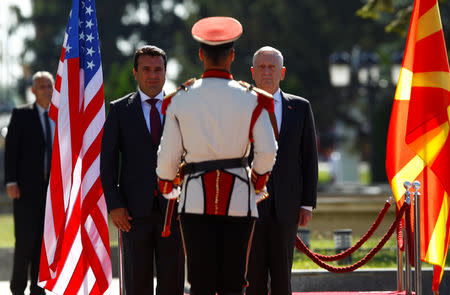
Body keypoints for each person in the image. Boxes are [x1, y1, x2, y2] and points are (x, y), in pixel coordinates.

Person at [156, 17, 278, 295]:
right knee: (235, 282)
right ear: (232, 56)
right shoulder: (253, 98)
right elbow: (268, 151)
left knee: (200, 282)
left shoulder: (180, 99)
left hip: (194, 199)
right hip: (239, 198)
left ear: (200, 54)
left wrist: (168, 185)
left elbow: (167, 158)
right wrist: (257, 182)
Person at [100, 45, 184, 295]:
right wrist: (115, 205)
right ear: (135, 73)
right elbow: (108, 163)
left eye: (158, 70)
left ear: (166, 73)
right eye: (146, 69)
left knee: (172, 283)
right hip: (132, 215)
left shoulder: (182, 108)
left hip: (175, 213)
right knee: (136, 285)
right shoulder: (119, 110)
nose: (153, 75)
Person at [246, 46, 318, 295]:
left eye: (272, 67)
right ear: (253, 72)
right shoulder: (241, 106)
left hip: (287, 206)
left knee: (281, 277)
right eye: (262, 67)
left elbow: (309, 158)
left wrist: (307, 203)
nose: (267, 72)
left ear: (282, 72)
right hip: (249, 205)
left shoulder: (299, 107)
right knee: (252, 276)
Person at [5, 71, 55, 295]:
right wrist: (11, 181)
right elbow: (11, 152)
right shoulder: (21, 114)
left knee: (44, 245)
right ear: (33, 90)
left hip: (52, 193)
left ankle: (38, 288)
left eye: (49, 86)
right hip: (26, 192)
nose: (46, 90)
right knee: (25, 242)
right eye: (42, 86)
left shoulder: (60, 116)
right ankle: (17, 288)